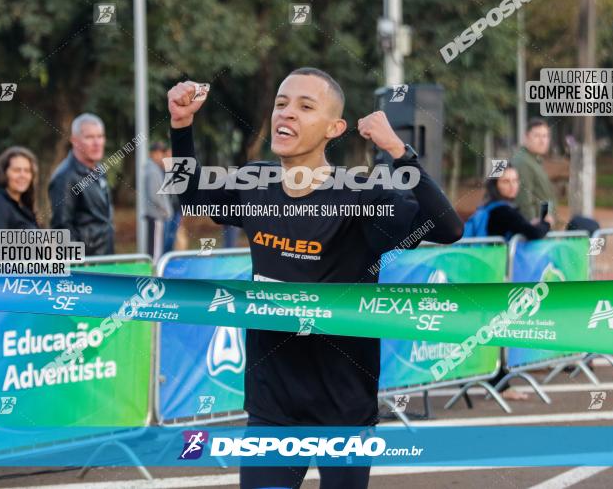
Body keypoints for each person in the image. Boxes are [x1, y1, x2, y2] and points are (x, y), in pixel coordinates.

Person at [167, 67, 463, 489]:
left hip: (343, 409)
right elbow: (192, 197)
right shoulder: (257, 183)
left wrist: (400, 152)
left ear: (334, 128)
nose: (287, 114)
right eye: (281, 103)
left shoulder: (363, 197)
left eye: (306, 106)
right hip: (273, 406)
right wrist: (181, 126)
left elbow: (448, 229)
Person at [464, 164, 550, 400]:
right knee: (495, 329)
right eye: (505, 181)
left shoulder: (488, 209)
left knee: (489, 328)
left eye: (515, 181)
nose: (512, 186)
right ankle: (499, 384)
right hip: (491, 277)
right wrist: (546, 223)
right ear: (494, 185)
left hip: (480, 275)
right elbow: (533, 233)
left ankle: (493, 379)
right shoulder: (503, 211)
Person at [512, 119, 599, 234]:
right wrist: (533, 228)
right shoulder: (523, 162)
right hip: (535, 231)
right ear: (526, 137)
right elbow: (523, 200)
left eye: (545, 136)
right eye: (537, 136)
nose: (542, 141)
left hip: (544, 226)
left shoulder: (534, 160)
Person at [48, 113, 115, 255]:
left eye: (100, 136)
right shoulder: (65, 177)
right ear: (75, 141)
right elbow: (62, 229)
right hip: (87, 266)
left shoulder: (99, 170)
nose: (97, 143)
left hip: (105, 260)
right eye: (89, 137)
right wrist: (81, 266)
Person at [0, 146, 40, 229]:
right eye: (16, 170)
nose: (23, 175)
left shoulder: (24, 207)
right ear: (3, 173)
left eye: (27, 171)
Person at [143, 141, 174, 262]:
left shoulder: (153, 168)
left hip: (156, 215)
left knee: (155, 247)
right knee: (155, 251)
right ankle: (154, 274)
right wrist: (165, 210)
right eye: (159, 153)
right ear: (153, 154)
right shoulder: (153, 170)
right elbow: (155, 195)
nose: (161, 156)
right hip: (156, 215)